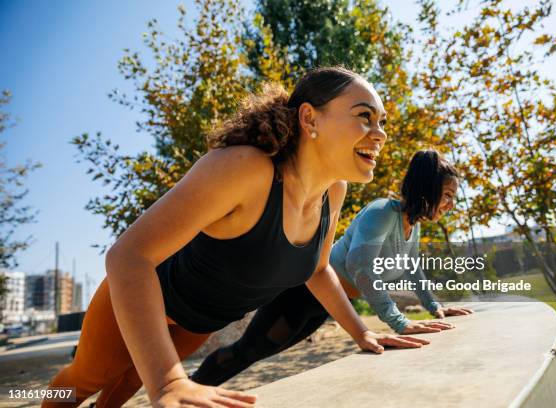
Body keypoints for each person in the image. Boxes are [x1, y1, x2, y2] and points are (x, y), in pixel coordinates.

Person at [43, 67, 430, 408]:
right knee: (82, 383)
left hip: (199, 320)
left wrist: (364, 333)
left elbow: (319, 269)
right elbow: (128, 257)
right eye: (365, 117)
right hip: (143, 298)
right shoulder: (246, 168)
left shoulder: (334, 191)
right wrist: (168, 380)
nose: (379, 134)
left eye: (382, 122)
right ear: (310, 118)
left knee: (129, 382)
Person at [190, 149, 473, 386]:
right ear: (428, 188)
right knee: (249, 350)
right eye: (447, 194)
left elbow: (412, 268)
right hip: (303, 293)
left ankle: (195, 390)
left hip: (330, 303)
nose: (450, 204)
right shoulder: (384, 212)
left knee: (258, 352)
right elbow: (360, 266)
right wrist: (399, 322)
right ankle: (190, 387)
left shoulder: (412, 226)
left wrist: (436, 306)